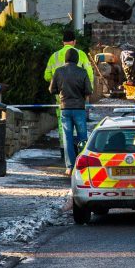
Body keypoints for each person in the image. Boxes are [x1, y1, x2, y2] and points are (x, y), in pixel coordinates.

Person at [43, 29, 94, 157]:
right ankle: (82, 156)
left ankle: (64, 152)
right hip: (79, 98)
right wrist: (88, 92)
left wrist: (57, 82)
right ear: (74, 42)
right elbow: (89, 74)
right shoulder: (81, 54)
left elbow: (46, 75)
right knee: (81, 129)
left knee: (64, 128)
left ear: (62, 42)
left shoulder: (54, 56)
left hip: (61, 99)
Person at [49, 48, 92, 176]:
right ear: (77, 59)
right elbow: (88, 90)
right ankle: (82, 165)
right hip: (79, 109)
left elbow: (52, 90)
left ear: (65, 59)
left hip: (65, 108)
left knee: (67, 138)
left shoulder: (58, 71)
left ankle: (69, 166)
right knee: (82, 137)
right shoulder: (82, 72)